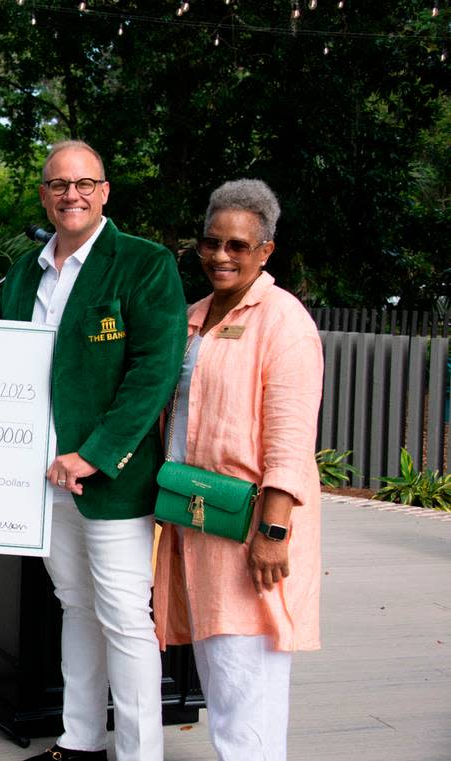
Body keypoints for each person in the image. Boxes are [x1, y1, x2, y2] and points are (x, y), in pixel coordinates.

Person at [0, 140, 187, 761]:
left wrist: (96, 454)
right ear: (44, 194)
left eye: (84, 183)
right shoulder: (26, 269)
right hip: (39, 477)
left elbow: (154, 371)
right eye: (57, 184)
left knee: (126, 616)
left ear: (104, 192)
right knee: (75, 604)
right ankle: (79, 742)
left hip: (110, 478)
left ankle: (139, 754)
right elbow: (2, 358)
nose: (70, 194)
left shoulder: (144, 263)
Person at [153, 179, 322, 761]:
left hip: (249, 527)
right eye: (211, 242)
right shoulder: (196, 314)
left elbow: (292, 438)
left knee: (246, 685)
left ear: (266, 250)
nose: (221, 255)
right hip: (195, 518)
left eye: (238, 246)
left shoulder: (284, 322)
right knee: (219, 674)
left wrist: (273, 534)